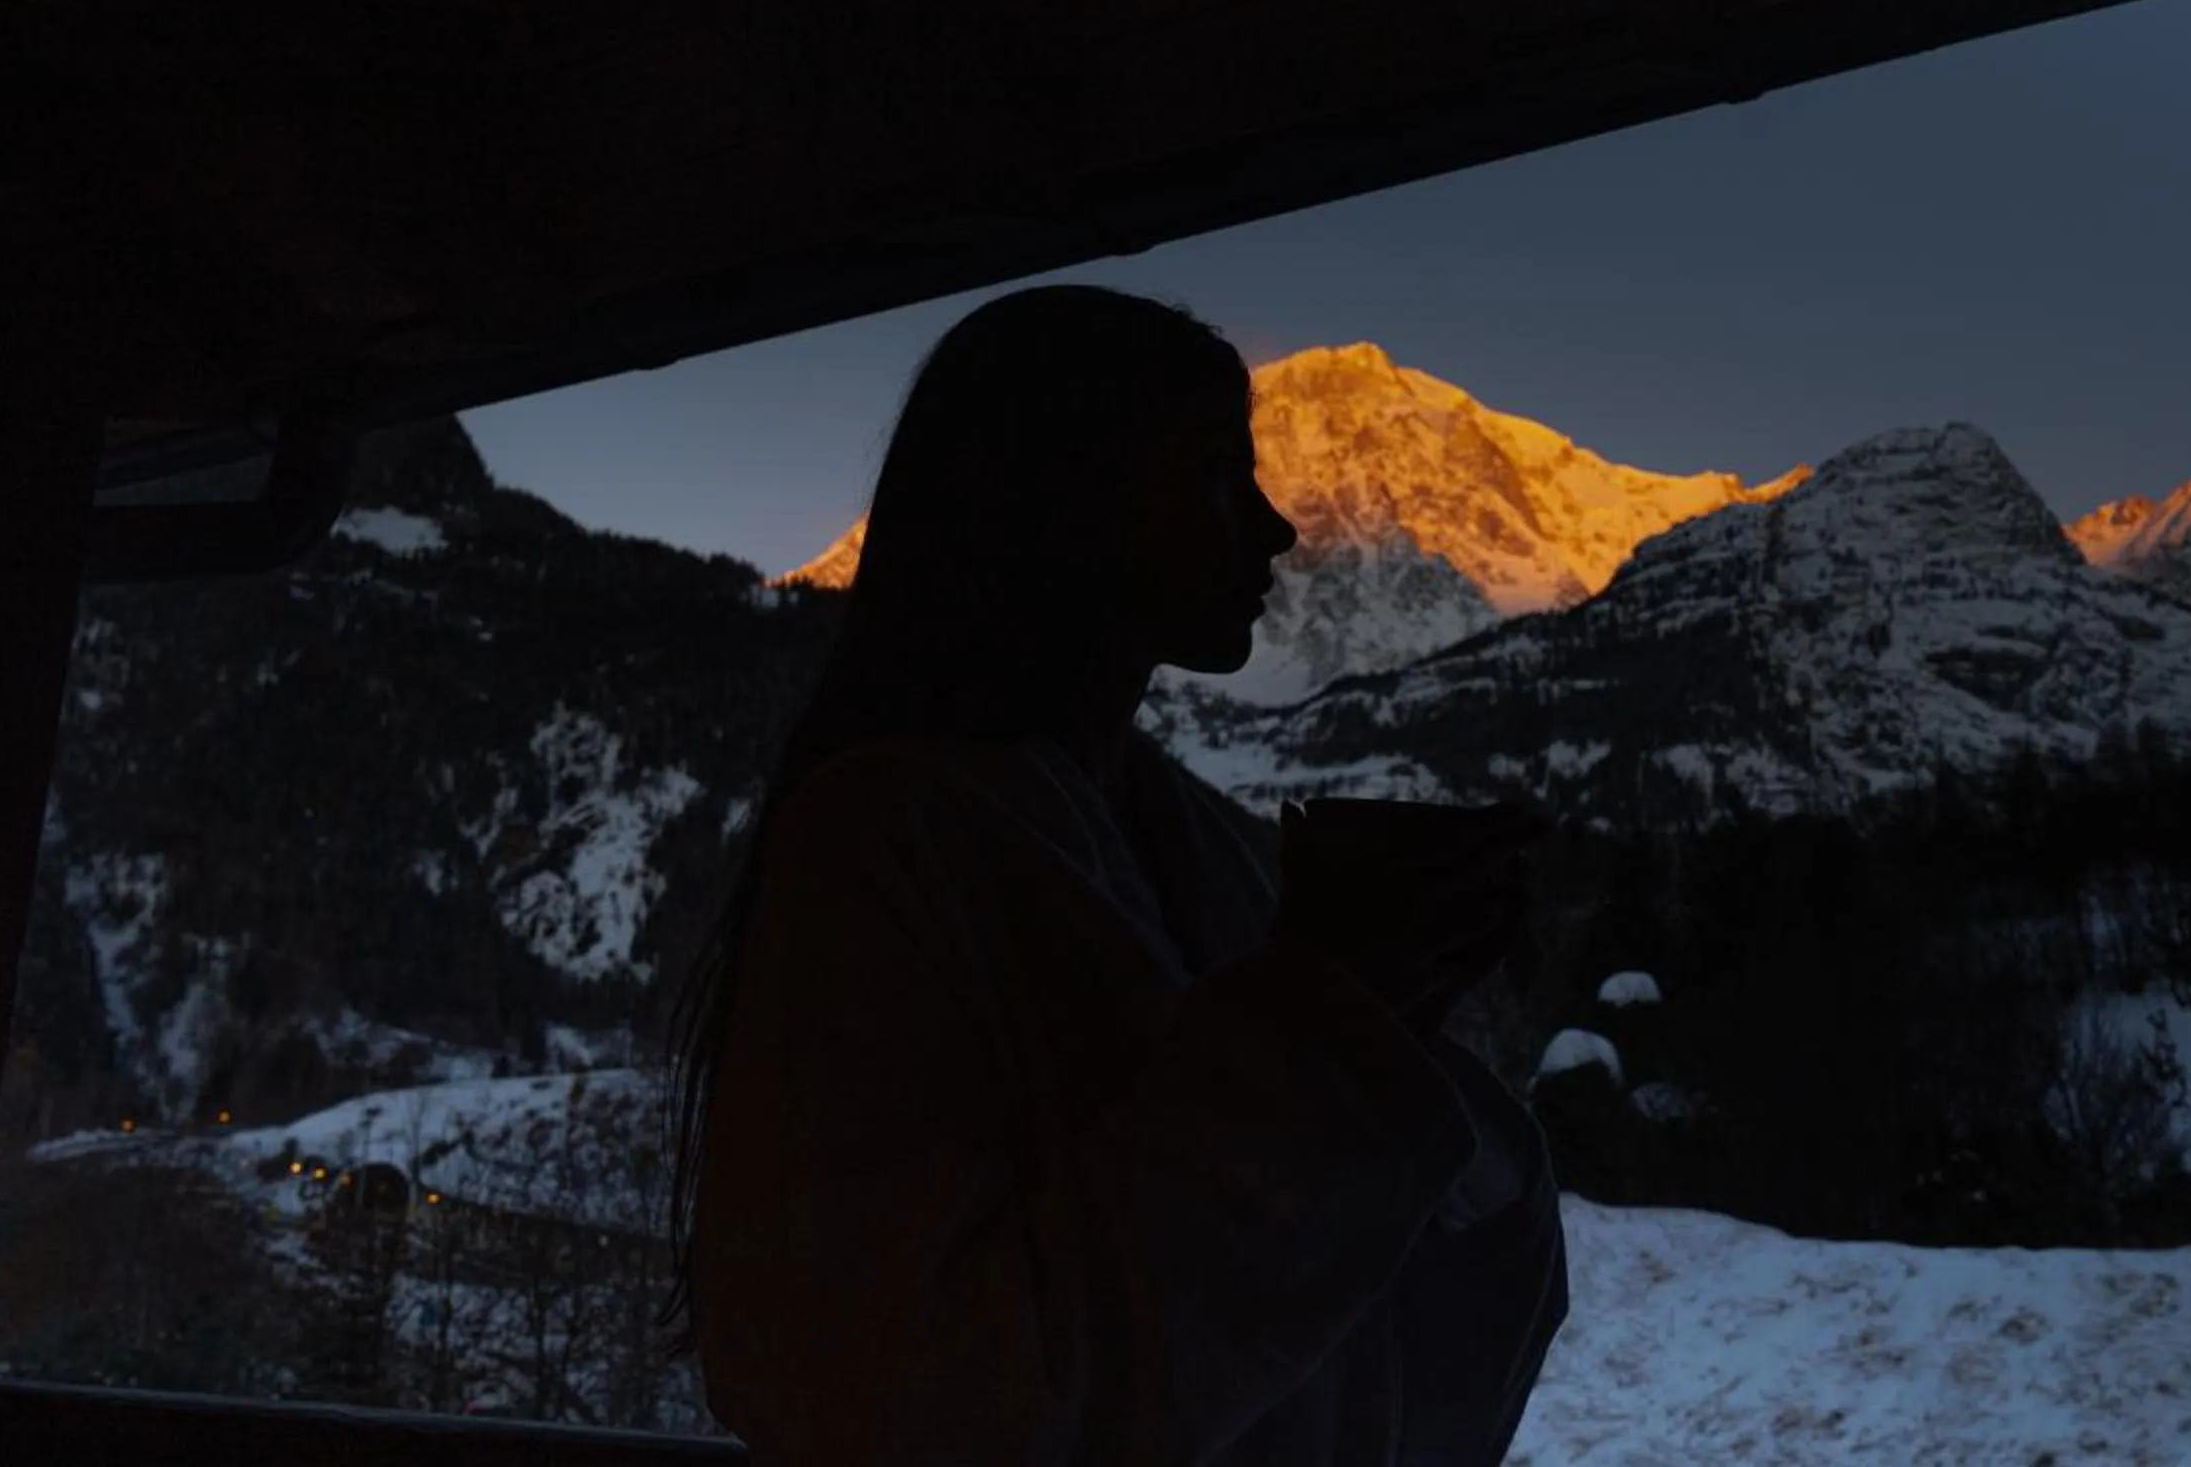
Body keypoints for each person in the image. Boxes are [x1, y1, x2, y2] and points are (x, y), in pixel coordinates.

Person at [659, 284, 1568, 1465]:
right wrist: (1337, 1013)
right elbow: (902, 1381)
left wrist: (1390, 1004)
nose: (1275, 527)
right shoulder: (885, 844)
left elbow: (1335, 1327)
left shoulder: (1171, 834)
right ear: (1065, 492)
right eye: (1214, 473)